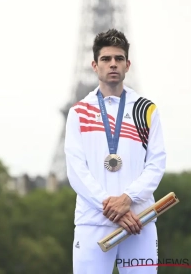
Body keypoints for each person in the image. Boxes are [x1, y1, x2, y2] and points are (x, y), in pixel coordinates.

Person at [64, 28, 166, 274]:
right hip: (93, 222)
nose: (113, 64)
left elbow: (156, 163)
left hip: (138, 221)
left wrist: (127, 200)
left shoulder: (147, 109)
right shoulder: (78, 112)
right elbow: (76, 170)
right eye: (106, 59)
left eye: (119, 58)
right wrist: (110, 208)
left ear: (127, 64)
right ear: (94, 65)